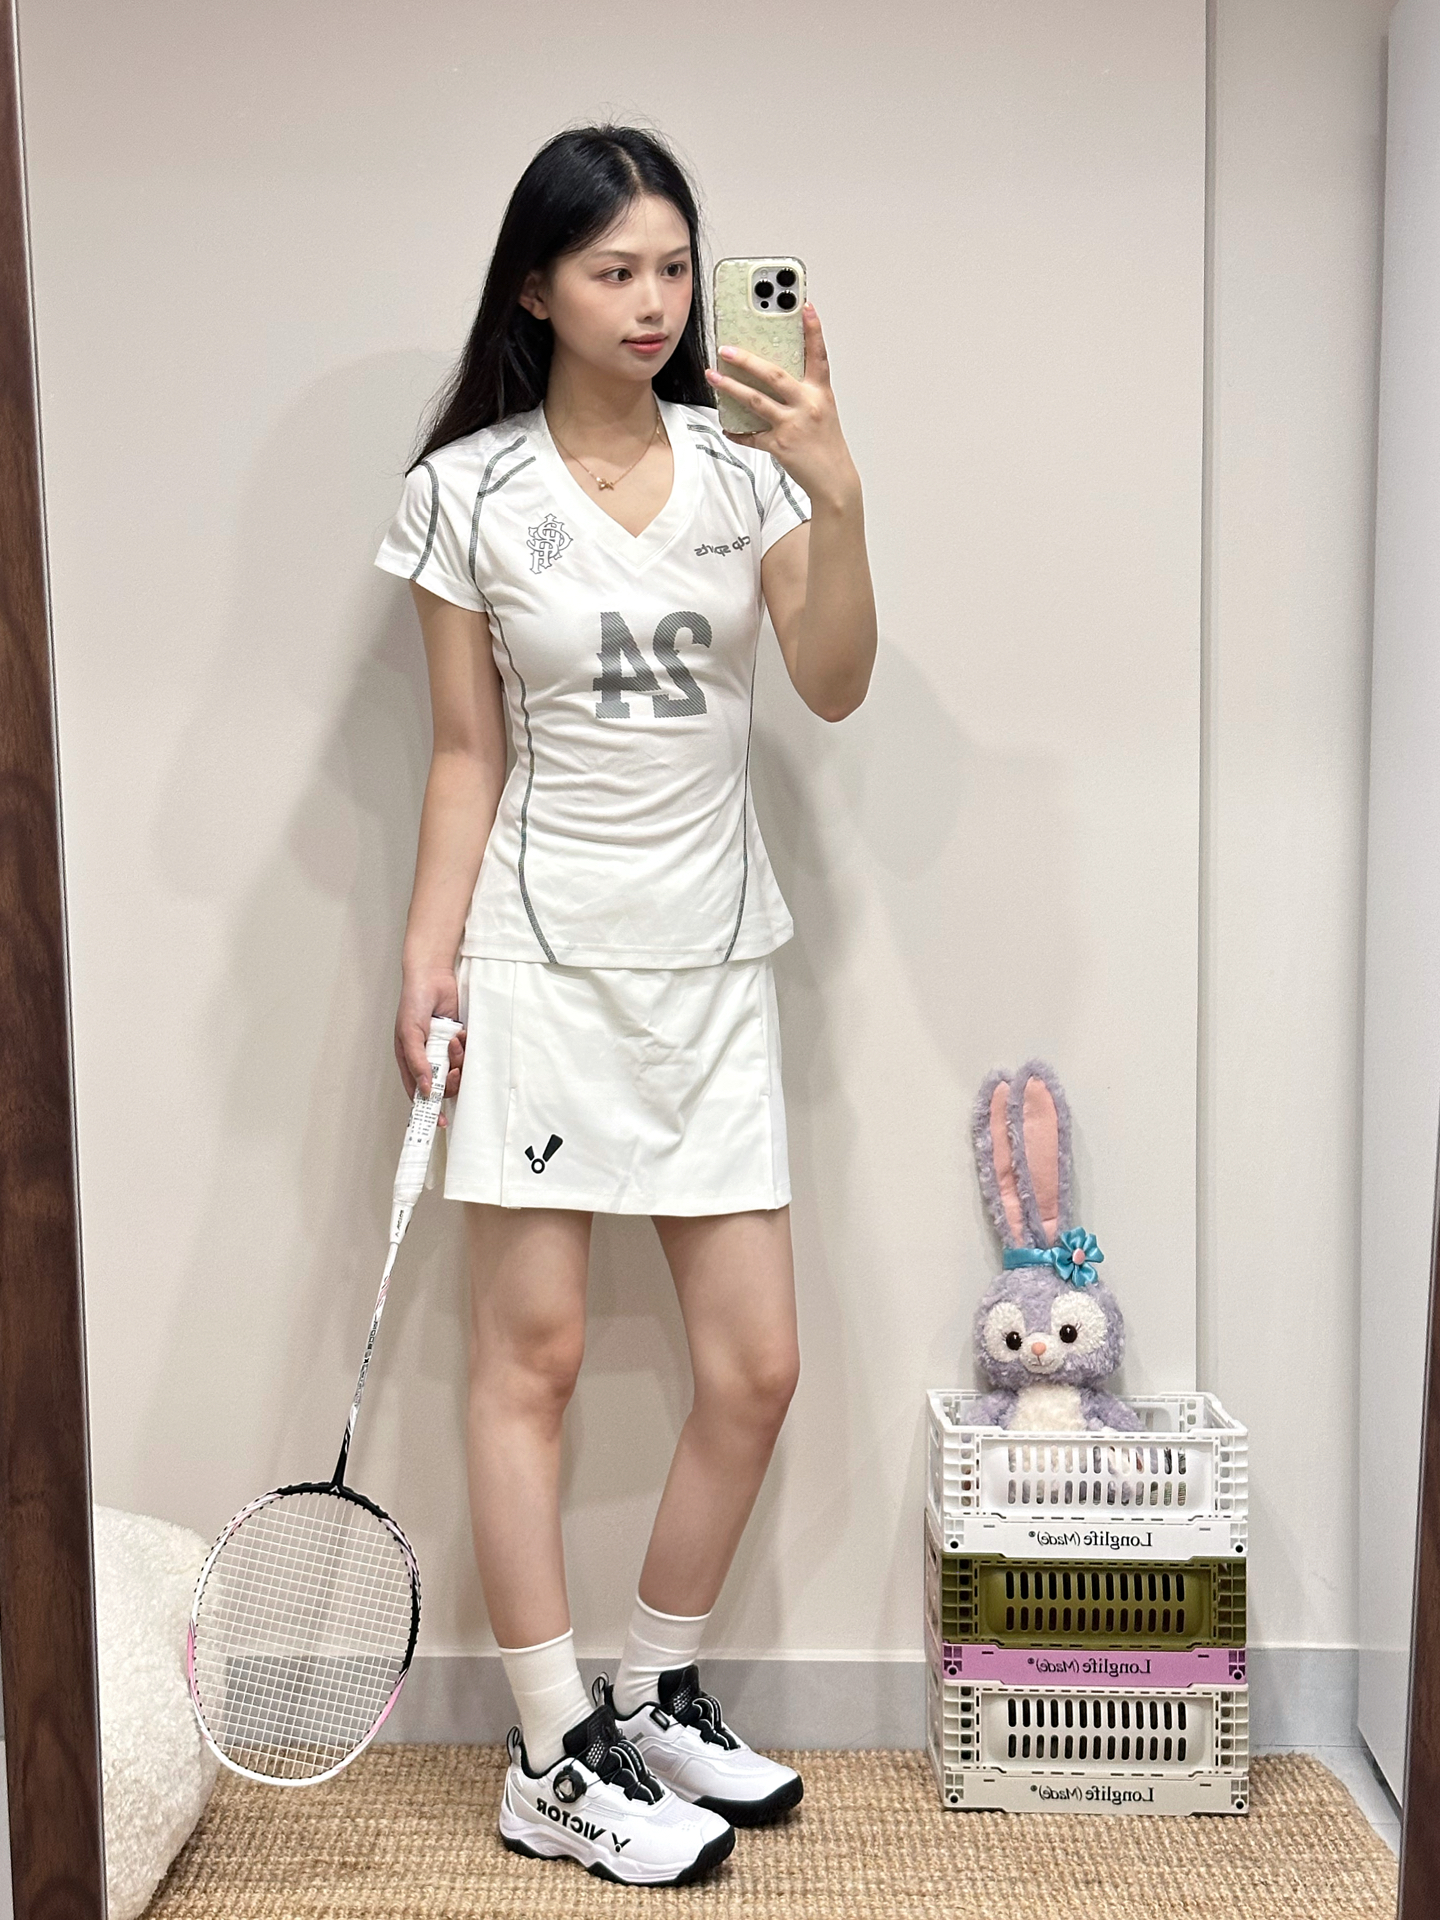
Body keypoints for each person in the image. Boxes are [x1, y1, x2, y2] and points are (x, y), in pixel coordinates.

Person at [375, 123, 875, 1888]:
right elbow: (464, 753)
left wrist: (837, 488)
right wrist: (426, 954)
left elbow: (832, 683)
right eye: (614, 270)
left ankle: (651, 1694)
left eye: (673, 266)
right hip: (540, 962)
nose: (654, 300)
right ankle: (545, 1755)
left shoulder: (749, 471)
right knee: (537, 1361)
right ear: (538, 286)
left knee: (756, 1367)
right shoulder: (467, 493)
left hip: (714, 963)